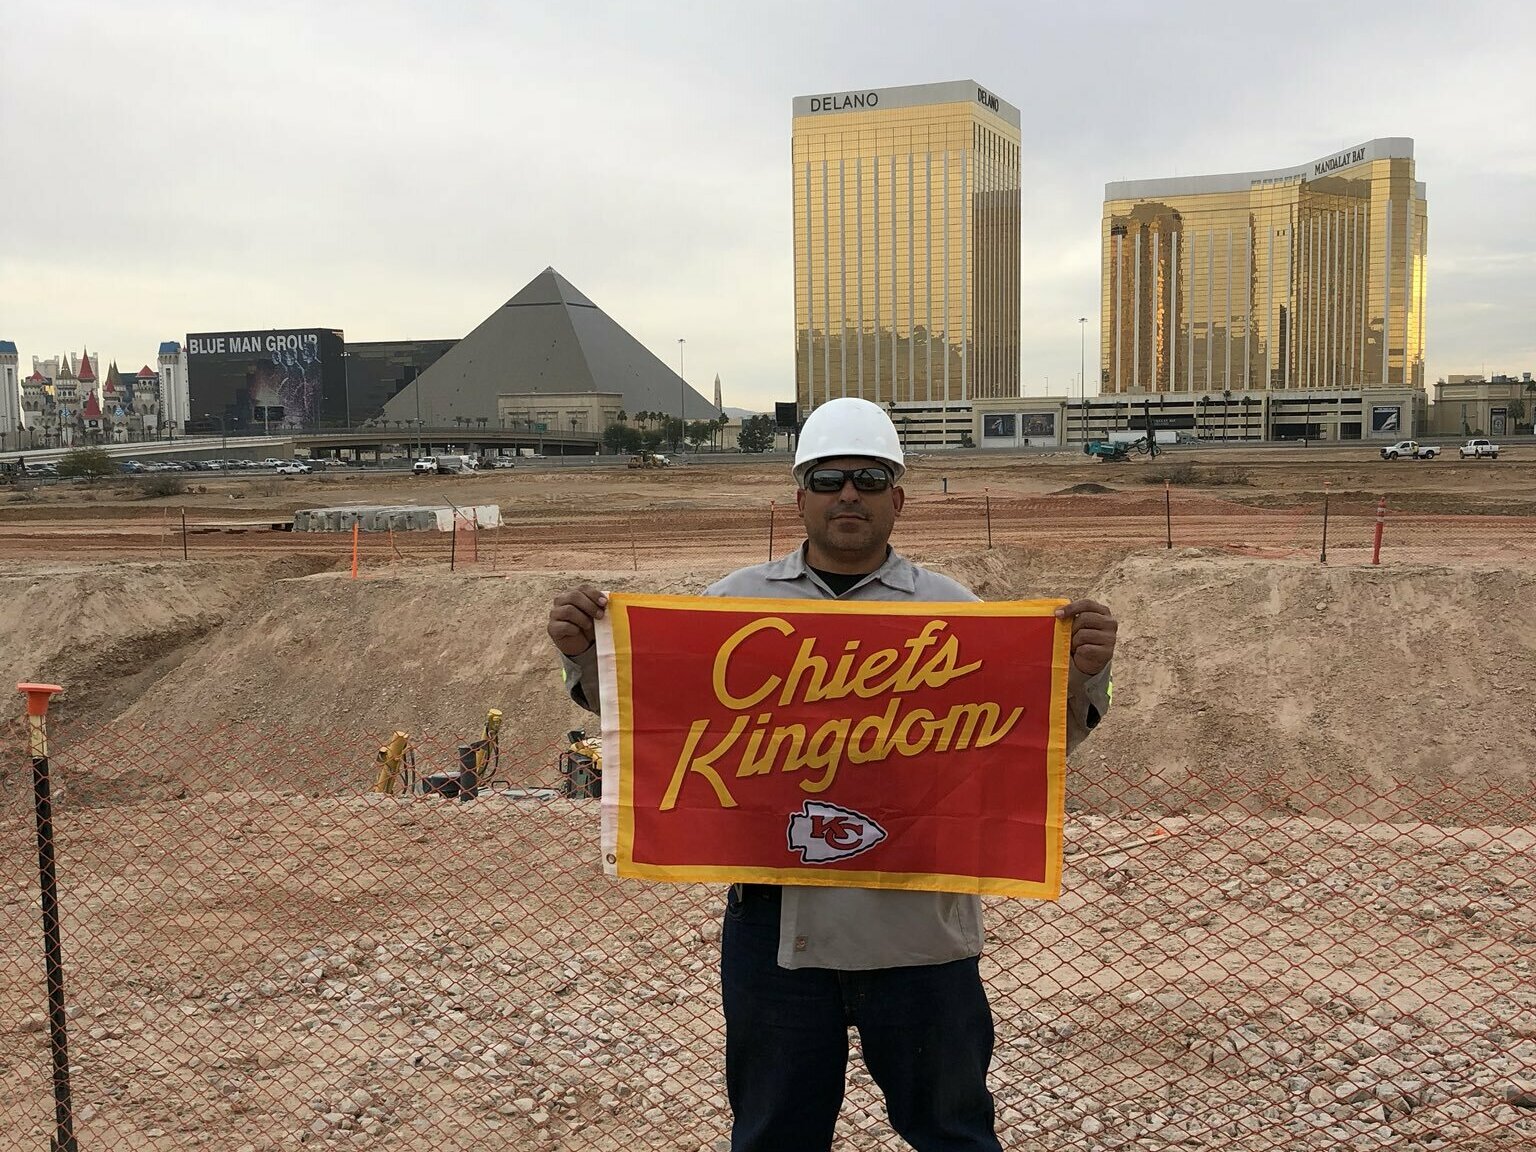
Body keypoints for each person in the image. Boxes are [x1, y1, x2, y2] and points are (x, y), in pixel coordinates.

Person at [547, 397, 1117, 1152]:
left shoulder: (958, 614)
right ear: (800, 498)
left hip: (922, 932)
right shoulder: (735, 605)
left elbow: (1016, 754)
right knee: (774, 1135)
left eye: (869, 478)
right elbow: (656, 721)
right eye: (829, 479)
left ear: (897, 498)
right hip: (777, 929)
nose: (849, 493)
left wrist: (1082, 679)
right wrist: (586, 655)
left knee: (953, 1133)